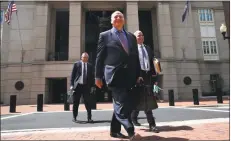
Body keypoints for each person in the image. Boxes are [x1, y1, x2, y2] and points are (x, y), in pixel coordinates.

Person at [95, 11, 142, 140]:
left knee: (123, 103)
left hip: (129, 76)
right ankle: (131, 130)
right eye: (115, 16)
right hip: (114, 75)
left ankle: (114, 131)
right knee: (121, 102)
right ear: (111, 21)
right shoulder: (104, 36)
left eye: (120, 16)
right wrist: (97, 76)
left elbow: (135, 57)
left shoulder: (131, 37)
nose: (118, 18)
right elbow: (99, 58)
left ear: (124, 20)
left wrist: (138, 74)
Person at [131, 30, 159, 133]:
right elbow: (131, 65)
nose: (141, 36)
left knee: (148, 100)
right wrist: (136, 76)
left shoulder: (148, 48)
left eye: (142, 35)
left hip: (148, 76)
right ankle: (133, 117)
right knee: (138, 99)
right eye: (138, 35)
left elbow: (152, 63)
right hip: (138, 76)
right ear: (135, 38)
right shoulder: (132, 49)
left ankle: (152, 125)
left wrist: (155, 76)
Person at [70, 52, 94, 123]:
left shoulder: (90, 66)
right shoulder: (76, 64)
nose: (85, 59)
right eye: (84, 57)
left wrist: (92, 86)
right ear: (81, 58)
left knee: (88, 103)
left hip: (86, 86)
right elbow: (72, 75)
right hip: (78, 86)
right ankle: (74, 117)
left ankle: (89, 118)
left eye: (86, 58)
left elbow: (92, 77)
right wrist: (71, 85)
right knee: (76, 102)